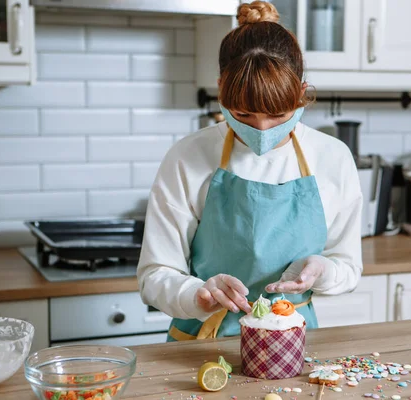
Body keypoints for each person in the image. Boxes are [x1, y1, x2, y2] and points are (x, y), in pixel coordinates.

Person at [137, 0, 363, 342]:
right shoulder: (187, 157)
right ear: (221, 91)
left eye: (278, 114)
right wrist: (198, 295)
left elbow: (348, 266)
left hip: (293, 343)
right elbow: (155, 275)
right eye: (243, 115)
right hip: (202, 345)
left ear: (301, 94)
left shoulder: (333, 157)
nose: (261, 129)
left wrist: (322, 270)